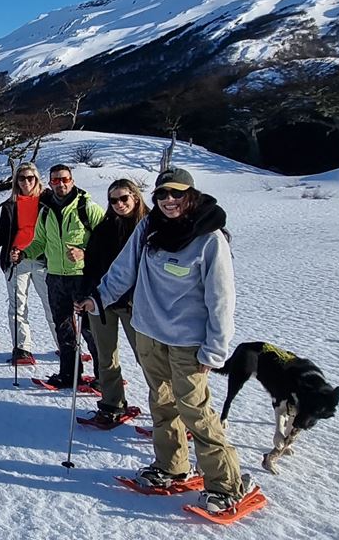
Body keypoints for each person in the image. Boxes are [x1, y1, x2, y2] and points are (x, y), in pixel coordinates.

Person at [93, 167, 256, 513]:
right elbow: (124, 269)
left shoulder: (210, 239)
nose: (169, 201)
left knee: (195, 411)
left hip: (189, 344)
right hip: (149, 334)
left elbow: (221, 299)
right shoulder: (149, 227)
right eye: (163, 194)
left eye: (177, 194)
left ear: (191, 195)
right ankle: (172, 465)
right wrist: (99, 298)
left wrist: (214, 350)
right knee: (162, 404)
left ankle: (227, 483)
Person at [18, 164, 104, 388]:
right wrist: (24, 252)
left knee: (89, 329)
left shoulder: (87, 207)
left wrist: (85, 252)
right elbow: (40, 242)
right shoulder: (46, 211)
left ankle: (103, 377)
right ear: (50, 183)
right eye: (55, 180)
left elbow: (106, 240)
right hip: (55, 276)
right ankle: (70, 373)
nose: (60, 184)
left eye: (64, 179)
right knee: (63, 327)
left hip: (82, 277)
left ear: (72, 180)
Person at [73, 178, 148, 427]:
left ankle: (171, 415)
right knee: (106, 356)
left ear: (135, 197)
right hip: (102, 302)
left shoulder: (148, 227)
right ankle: (112, 404)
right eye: (113, 200)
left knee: (148, 359)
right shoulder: (105, 227)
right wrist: (86, 296)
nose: (118, 204)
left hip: (135, 305)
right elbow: (91, 266)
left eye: (123, 198)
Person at [0, 161, 53, 366]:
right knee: (17, 306)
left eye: (30, 178)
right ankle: (22, 349)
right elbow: (1, 235)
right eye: (22, 178)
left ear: (37, 179)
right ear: (16, 182)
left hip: (43, 260)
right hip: (17, 258)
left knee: (52, 305)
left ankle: (67, 347)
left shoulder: (48, 201)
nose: (26, 182)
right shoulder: (11, 205)